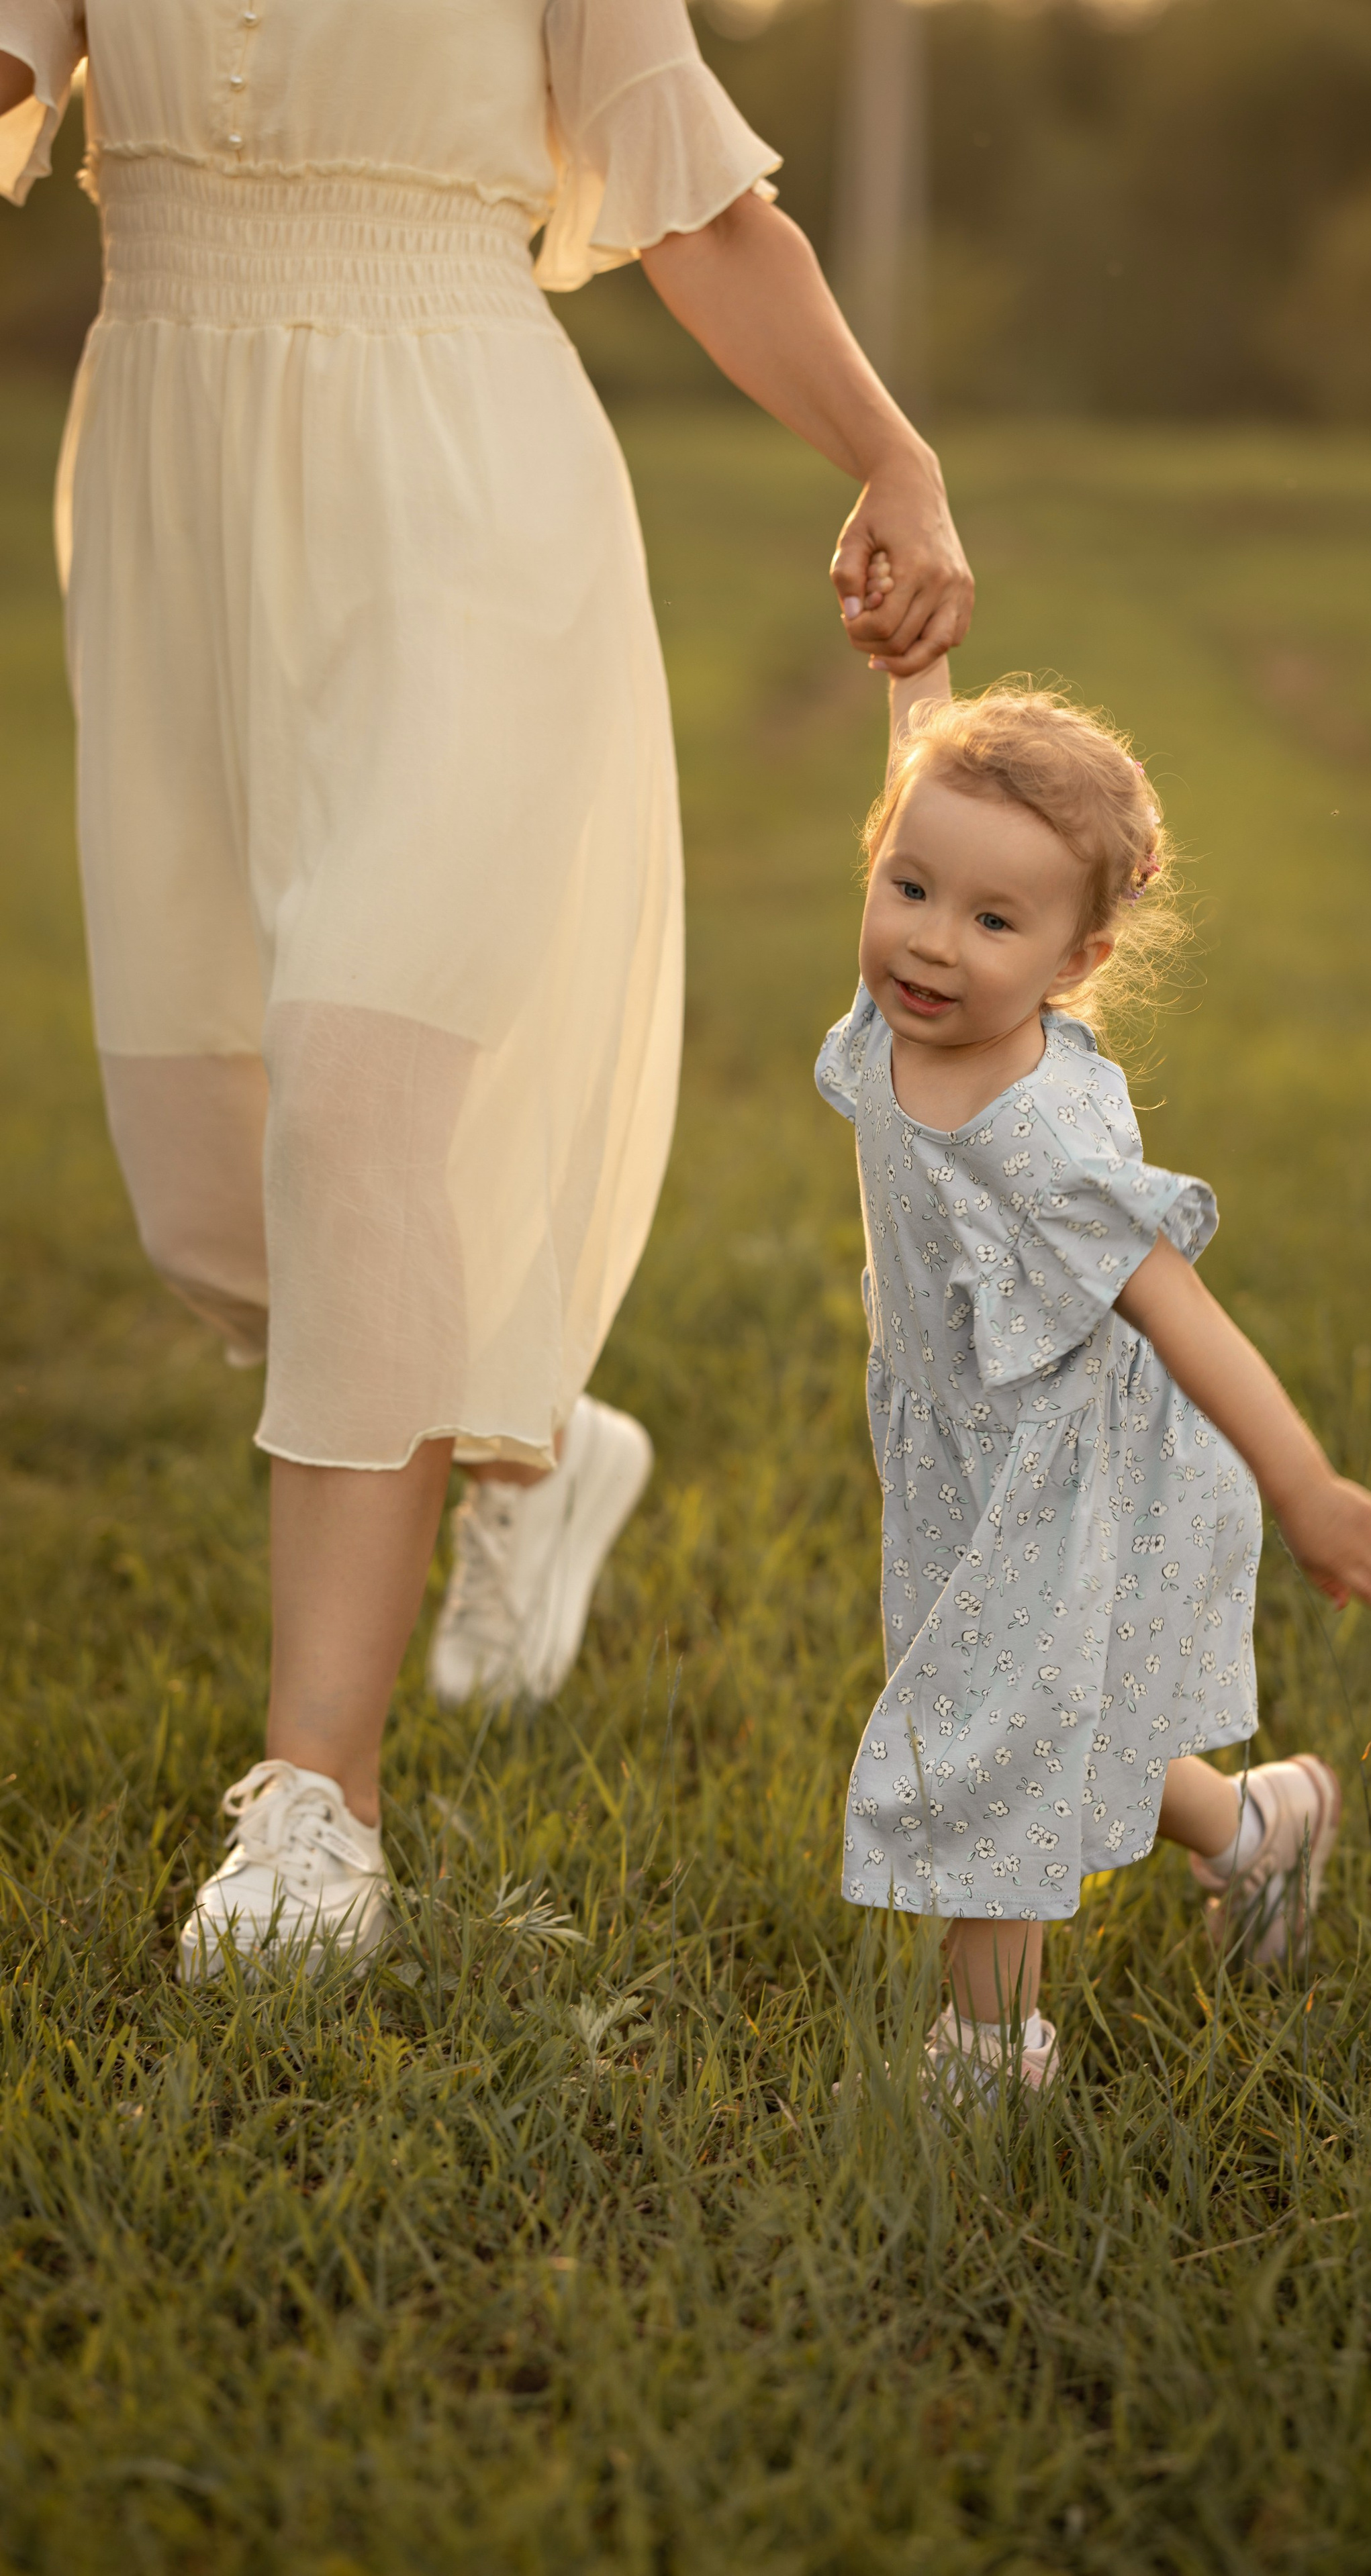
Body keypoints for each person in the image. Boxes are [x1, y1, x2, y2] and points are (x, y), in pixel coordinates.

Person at [0, 0, 972, 1979]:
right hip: (178, 500)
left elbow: (699, 207)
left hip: (458, 500)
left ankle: (318, 1810)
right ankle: (528, 1442)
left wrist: (892, 457)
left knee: (357, 1107)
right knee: (214, 1201)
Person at [816, 645, 1371, 2097]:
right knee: (1037, 1711)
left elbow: (1180, 1310)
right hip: (959, 1445)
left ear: (1076, 957)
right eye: (909, 888)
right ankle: (1256, 1831)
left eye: (993, 919)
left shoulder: (1034, 1138)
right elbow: (921, 765)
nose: (931, 943)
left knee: (991, 1743)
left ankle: (987, 2053)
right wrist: (918, 657)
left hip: (1048, 1470)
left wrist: (1304, 1486)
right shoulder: (906, 1007)